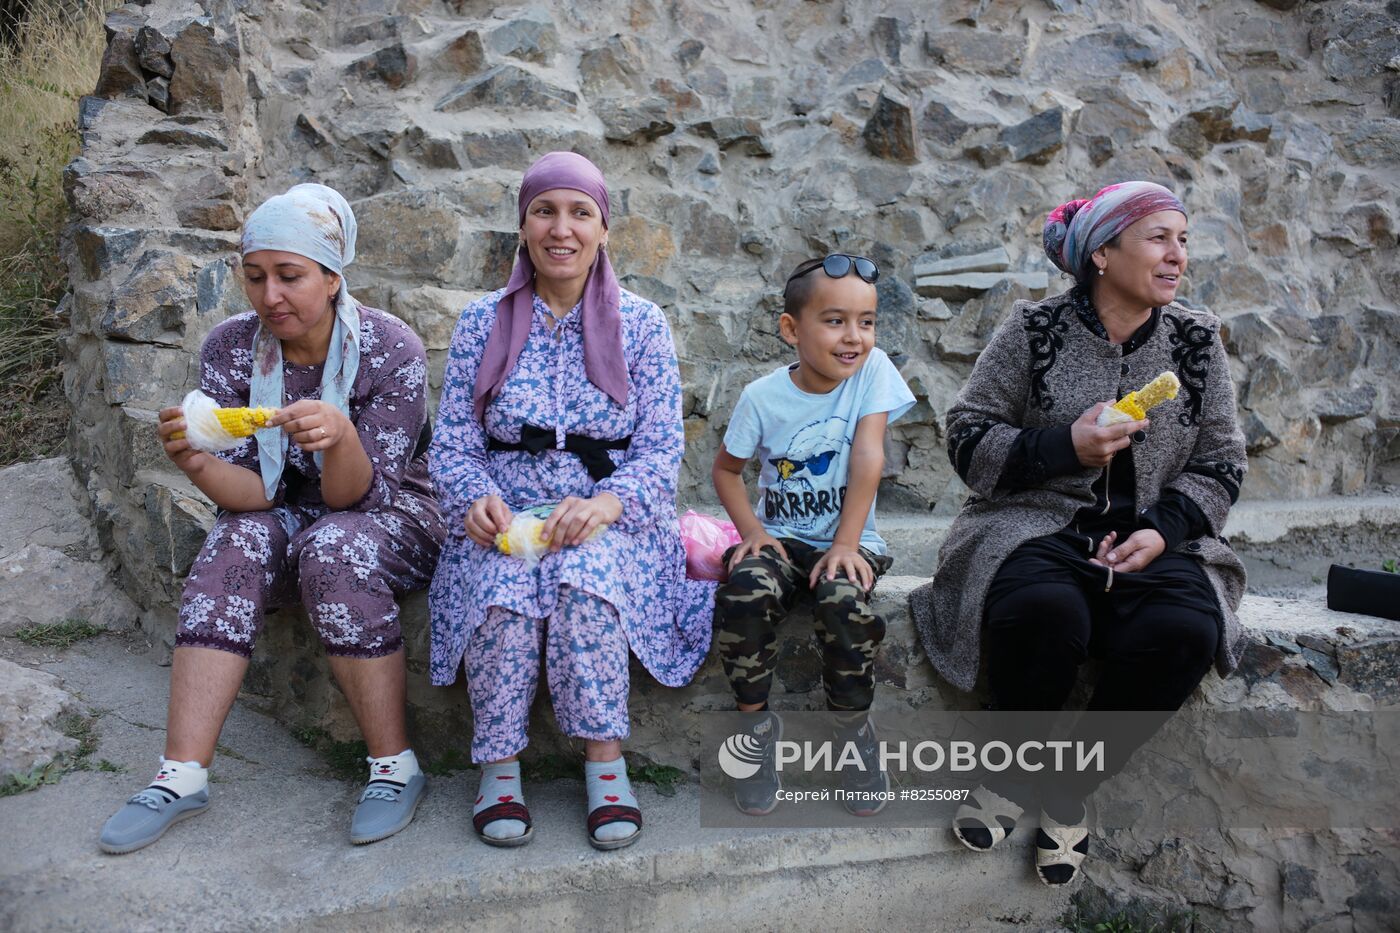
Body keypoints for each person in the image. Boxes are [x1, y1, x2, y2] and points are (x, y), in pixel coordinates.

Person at [909, 181, 1248, 885]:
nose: (1176, 255)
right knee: (1041, 611)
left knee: (1186, 629)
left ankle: (1066, 789)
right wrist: (1065, 445)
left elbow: (1222, 460)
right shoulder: (1033, 330)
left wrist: (1163, 528)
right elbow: (968, 439)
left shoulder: (1195, 342)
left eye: (1182, 240)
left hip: (1159, 537)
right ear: (1102, 252)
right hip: (1036, 525)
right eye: (1158, 237)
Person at [98, 184, 445, 854]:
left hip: (393, 511)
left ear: (334, 276)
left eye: (290, 276)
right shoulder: (231, 348)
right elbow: (254, 492)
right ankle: (180, 774)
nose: (270, 296)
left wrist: (341, 436)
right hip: (286, 507)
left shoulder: (389, 349)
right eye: (254, 276)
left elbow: (358, 499)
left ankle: (394, 766)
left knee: (334, 547)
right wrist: (193, 460)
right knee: (234, 544)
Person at [428, 151, 714, 850]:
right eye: (545, 211)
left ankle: (605, 768)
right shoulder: (480, 322)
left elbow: (660, 449)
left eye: (580, 212)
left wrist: (609, 504)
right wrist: (474, 499)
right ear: (523, 226)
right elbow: (453, 444)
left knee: (587, 585)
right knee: (501, 587)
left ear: (604, 228)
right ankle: (498, 768)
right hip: (507, 517)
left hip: (608, 519)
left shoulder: (642, 324)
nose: (563, 228)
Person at [711, 254, 916, 817]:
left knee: (842, 599)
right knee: (745, 593)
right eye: (835, 321)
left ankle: (853, 734)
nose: (854, 337)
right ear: (790, 329)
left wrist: (846, 545)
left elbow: (869, 457)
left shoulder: (872, 373)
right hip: (779, 539)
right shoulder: (761, 397)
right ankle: (755, 731)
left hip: (849, 539)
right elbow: (725, 470)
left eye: (867, 322)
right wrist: (751, 531)